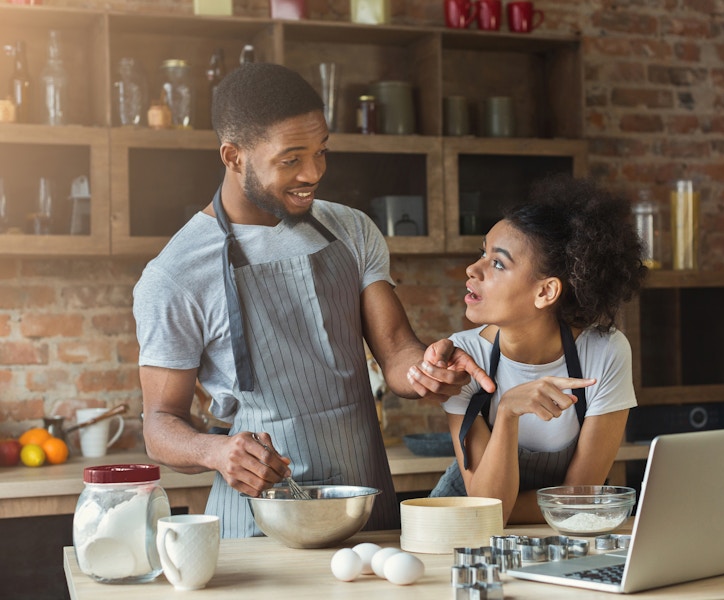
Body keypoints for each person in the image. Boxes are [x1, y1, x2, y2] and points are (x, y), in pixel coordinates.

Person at [133, 63, 492, 538]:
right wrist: (214, 452)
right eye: (291, 159)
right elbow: (159, 425)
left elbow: (397, 351)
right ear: (233, 156)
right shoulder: (175, 275)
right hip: (262, 521)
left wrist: (427, 369)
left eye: (321, 152)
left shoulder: (351, 229)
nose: (313, 173)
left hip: (363, 506)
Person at [430, 175, 647, 525]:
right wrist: (508, 413)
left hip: (558, 532)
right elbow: (487, 510)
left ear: (546, 292)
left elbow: (582, 495)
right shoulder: (465, 358)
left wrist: (517, 508)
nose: (473, 269)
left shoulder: (604, 352)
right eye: (482, 253)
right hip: (462, 531)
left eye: (497, 263)